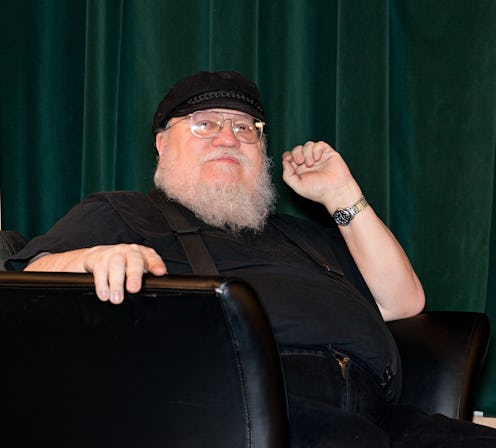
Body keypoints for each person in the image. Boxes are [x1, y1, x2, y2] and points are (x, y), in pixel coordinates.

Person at [7, 70, 496, 447]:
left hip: (381, 414)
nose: (228, 138)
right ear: (162, 143)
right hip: (249, 409)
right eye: (205, 124)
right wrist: (92, 257)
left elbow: (403, 302)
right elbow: (25, 276)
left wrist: (342, 194)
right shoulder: (126, 213)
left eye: (246, 128)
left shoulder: (304, 236)